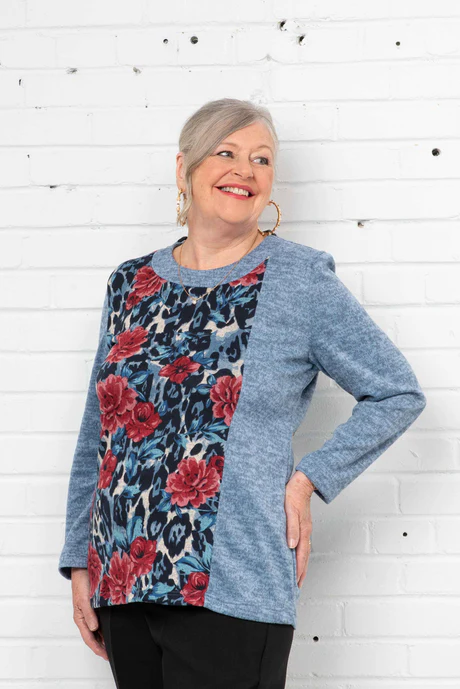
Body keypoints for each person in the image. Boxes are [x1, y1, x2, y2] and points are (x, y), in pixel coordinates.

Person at [58, 98, 427, 689]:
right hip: (123, 579)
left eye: (262, 159)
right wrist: (80, 558)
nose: (245, 170)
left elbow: (396, 392)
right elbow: (96, 434)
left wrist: (308, 481)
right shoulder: (130, 282)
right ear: (184, 169)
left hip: (235, 587)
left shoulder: (298, 280)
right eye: (225, 152)